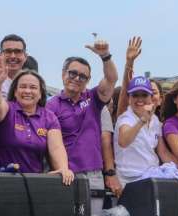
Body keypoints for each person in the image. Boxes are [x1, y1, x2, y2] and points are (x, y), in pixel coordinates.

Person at [46, 40, 118, 214]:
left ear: (88, 80)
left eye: (83, 76)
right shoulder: (51, 105)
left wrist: (105, 56)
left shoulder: (93, 98)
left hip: (94, 174)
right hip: (66, 174)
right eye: (72, 73)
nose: (77, 78)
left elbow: (111, 79)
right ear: (63, 74)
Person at [0, 54, 74, 185]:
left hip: (35, 183)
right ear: (15, 91)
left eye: (33, 87)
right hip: (3, 182)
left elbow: (57, 147)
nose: (27, 91)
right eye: (23, 86)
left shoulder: (49, 117)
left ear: (41, 94)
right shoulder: (7, 109)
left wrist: (63, 168)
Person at [114, 76, 178, 187]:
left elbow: (163, 152)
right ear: (129, 98)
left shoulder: (155, 120)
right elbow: (123, 141)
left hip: (151, 178)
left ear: (151, 97)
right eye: (135, 95)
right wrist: (142, 120)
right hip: (129, 180)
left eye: (144, 95)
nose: (140, 99)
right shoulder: (126, 118)